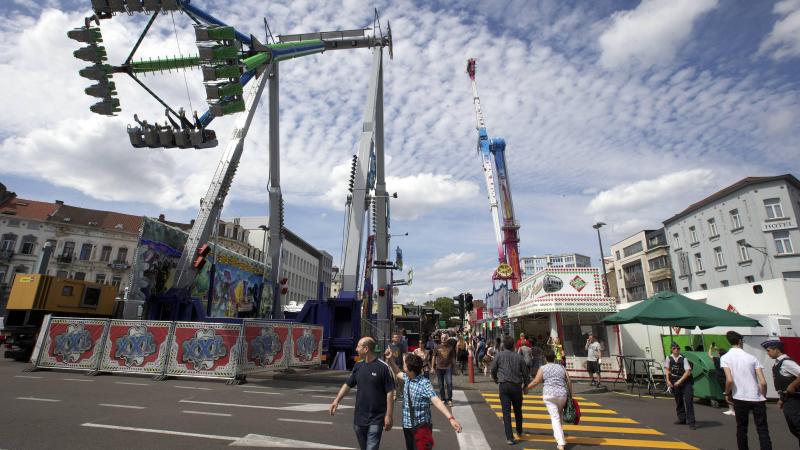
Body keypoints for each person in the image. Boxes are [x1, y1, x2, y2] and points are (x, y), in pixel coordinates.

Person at [384, 349, 463, 449]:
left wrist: (451, 419)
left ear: (410, 369)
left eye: (405, 364)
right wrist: (390, 360)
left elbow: (436, 401)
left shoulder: (424, 383)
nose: (403, 366)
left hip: (421, 426)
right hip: (407, 425)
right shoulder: (408, 378)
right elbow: (398, 372)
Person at [330, 337, 395, 450]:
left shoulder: (383, 367)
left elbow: (390, 392)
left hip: (376, 418)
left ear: (366, 349)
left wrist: (388, 415)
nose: (356, 349)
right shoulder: (358, 366)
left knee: (371, 447)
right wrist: (336, 400)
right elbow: (348, 385)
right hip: (359, 417)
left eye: (358, 346)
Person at [721, 331, 771, 450]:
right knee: (762, 429)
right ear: (740, 341)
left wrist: (727, 393)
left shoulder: (725, 357)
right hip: (757, 397)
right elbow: (763, 382)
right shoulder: (752, 358)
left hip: (740, 397)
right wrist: (763, 396)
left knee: (742, 428)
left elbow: (729, 380)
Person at [526, 349, 571, 450]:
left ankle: (561, 442)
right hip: (562, 395)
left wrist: (526, 388)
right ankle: (560, 436)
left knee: (555, 418)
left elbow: (536, 381)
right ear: (554, 358)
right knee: (558, 417)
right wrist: (570, 395)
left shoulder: (543, 368)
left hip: (549, 395)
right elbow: (569, 381)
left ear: (545, 358)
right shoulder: (561, 367)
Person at [491, 335, 531, 445]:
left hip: (504, 385)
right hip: (516, 386)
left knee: (506, 412)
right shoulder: (519, 357)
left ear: (503, 345)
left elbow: (493, 369)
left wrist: (496, 379)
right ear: (513, 345)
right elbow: (526, 373)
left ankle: (509, 437)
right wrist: (526, 386)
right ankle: (519, 430)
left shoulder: (499, 355)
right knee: (518, 410)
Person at [762, 339, 800, 446]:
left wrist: (793, 385)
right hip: (787, 399)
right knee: (794, 428)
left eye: (769, 350)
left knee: (797, 427)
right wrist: (781, 399)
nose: (768, 353)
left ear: (776, 350)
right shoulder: (778, 363)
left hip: (794, 401)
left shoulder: (786, 362)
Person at [666, 342, 697, 430]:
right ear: (671, 350)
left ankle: (691, 422)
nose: (676, 350)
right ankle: (682, 419)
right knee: (679, 400)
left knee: (688, 401)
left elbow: (688, 372)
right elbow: (667, 369)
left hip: (686, 382)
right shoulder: (668, 358)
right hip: (675, 381)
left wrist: (680, 381)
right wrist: (668, 380)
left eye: (678, 348)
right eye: (674, 348)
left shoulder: (684, 359)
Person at [708, 344, 734, 415]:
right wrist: (717, 349)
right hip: (729, 377)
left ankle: (731, 409)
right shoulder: (728, 360)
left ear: (719, 354)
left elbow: (709, 355)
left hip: (721, 378)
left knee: (726, 393)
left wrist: (710, 348)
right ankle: (734, 408)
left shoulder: (717, 359)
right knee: (731, 393)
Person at [433, 332, 456, 406]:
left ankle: (449, 399)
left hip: (448, 367)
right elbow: (434, 357)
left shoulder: (450, 347)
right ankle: (443, 399)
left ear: (447, 339)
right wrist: (432, 367)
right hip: (439, 368)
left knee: (449, 383)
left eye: (445, 338)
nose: (443, 339)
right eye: (442, 338)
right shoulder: (437, 347)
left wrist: (455, 367)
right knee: (441, 384)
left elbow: (453, 358)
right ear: (440, 339)